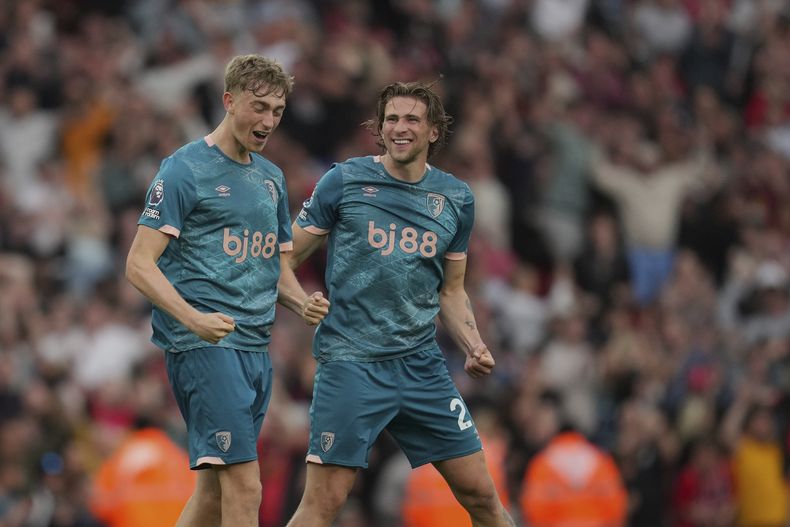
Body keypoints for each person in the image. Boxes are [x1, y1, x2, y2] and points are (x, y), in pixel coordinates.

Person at [278, 81, 514, 526]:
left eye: (411, 119)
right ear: (379, 127)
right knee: (323, 504)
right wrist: (299, 302)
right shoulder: (344, 181)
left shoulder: (456, 198)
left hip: (421, 366)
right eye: (391, 119)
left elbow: (451, 290)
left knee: (483, 496)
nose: (399, 128)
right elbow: (282, 258)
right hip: (351, 363)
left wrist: (473, 344)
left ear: (433, 131)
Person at [125, 54, 329, 527]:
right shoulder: (184, 169)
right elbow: (138, 263)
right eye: (259, 107)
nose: (268, 121)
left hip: (255, 349)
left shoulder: (270, 178)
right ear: (229, 100)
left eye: (277, 111)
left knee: (213, 494)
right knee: (245, 486)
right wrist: (194, 319)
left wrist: (301, 302)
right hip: (204, 347)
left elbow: (274, 265)